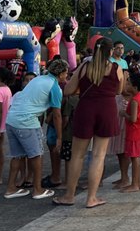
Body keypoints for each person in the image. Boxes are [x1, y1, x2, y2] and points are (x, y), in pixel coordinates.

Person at [53, 38, 124, 208]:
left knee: (77, 155)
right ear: (110, 51)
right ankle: (91, 198)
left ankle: (70, 195)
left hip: (85, 109)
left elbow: (69, 90)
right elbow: (119, 90)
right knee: (98, 155)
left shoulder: (84, 67)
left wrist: (82, 88)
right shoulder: (117, 68)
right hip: (107, 110)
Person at [2, 58, 68, 200]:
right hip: (27, 122)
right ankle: (38, 189)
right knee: (36, 154)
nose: (66, 75)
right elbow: (57, 114)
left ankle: (11, 188)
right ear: (61, 73)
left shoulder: (39, 79)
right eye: (66, 73)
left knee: (17, 155)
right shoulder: (54, 87)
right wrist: (59, 137)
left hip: (12, 118)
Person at [120, 71, 140, 193]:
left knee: (134, 158)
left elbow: (133, 118)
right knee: (135, 157)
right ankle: (137, 183)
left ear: (135, 87)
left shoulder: (135, 100)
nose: (126, 85)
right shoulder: (139, 96)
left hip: (134, 131)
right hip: (139, 131)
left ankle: (135, 184)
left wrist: (124, 113)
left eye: (128, 83)